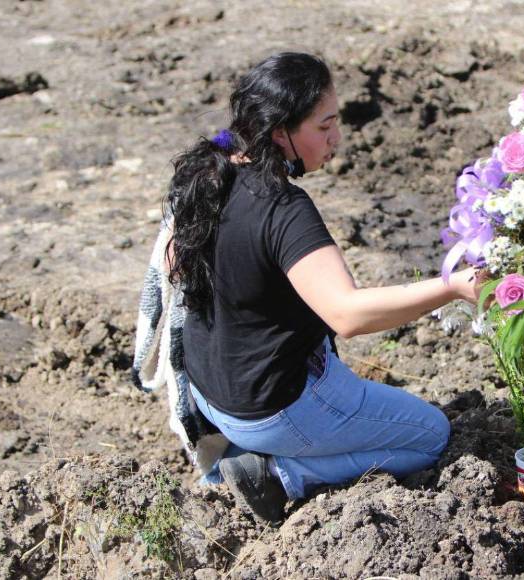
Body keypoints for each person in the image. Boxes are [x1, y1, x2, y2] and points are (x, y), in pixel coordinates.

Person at [164, 52, 485, 524]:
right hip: (273, 410)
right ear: (280, 132)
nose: (336, 138)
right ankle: (276, 474)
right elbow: (347, 315)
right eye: (324, 126)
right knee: (430, 435)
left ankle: (249, 452)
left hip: (212, 395)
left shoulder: (204, 171)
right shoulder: (283, 209)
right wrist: (454, 287)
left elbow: (173, 263)